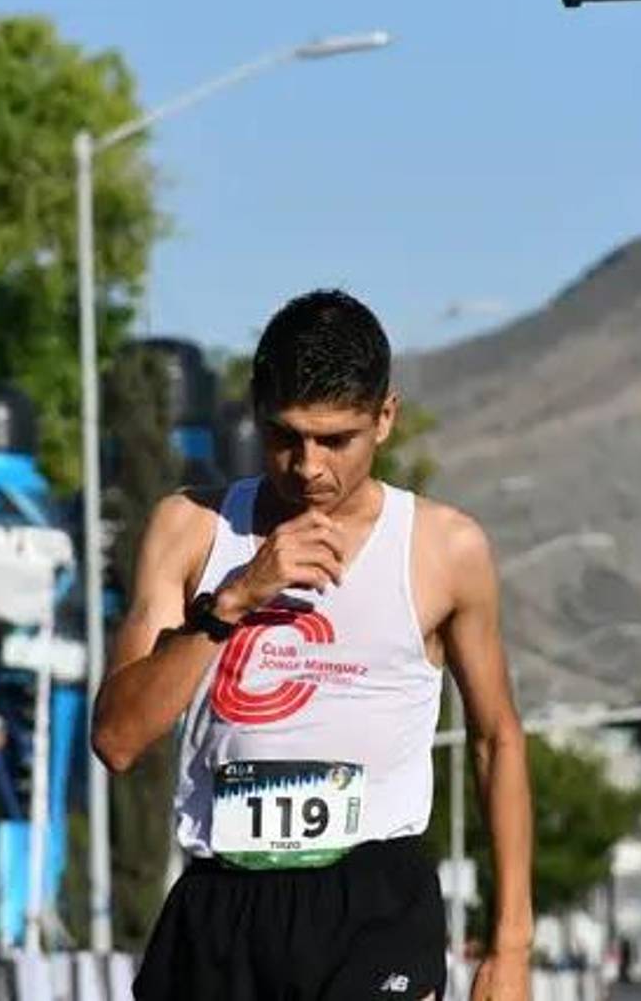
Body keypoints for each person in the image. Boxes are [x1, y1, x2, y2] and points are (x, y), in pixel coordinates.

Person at [94, 290, 534, 1001]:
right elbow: (117, 738)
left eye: (336, 440)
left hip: (371, 900)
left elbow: (497, 739)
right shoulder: (192, 529)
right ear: (256, 411)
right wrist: (233, 598)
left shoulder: (443, 548)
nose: (308, 467)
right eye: (286, 436)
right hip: (222, 899)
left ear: (384, 418)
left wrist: (511, 945)